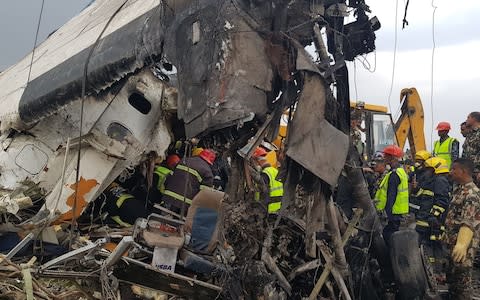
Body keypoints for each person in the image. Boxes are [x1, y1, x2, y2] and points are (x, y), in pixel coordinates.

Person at [444, 158, 480, 299]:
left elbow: (469, 221)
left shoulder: (472, 194)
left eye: (454, 169)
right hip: (452, 245)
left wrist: (462, 245)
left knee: (462, 286)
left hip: (463, 251)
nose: (451, 172)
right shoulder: (460, 190)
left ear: (463, 171)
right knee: (453, 284)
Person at [373, 145, 409, 246]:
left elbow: (391, 196)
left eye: (386, 156)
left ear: (392, 158)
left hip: (393, 213)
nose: (384, 158)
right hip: (398, 211)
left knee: (388, 236)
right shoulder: (400, 172)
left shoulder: (394, 175)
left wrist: (387, 213)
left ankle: (389, 259)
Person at [162, 149, 215, 215]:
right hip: (185, 206)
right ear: (210, 162)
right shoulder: (207, 172)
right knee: (177, 224)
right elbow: (204, 196)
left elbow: (169, 177)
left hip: (168, 199)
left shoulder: (184, 160)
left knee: (162, 222)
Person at [251, 147, 284, 214]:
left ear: (257, 161)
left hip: (268, 210)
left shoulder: (265, 174)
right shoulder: (275, 171)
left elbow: (264, 193)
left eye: (253, 162)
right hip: (278, 209)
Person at [462, 112, 480, 186]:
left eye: (468, 118)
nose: (466, 120)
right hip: (469, 171)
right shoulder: (470, 134)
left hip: (477, 172)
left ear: (474, 119)